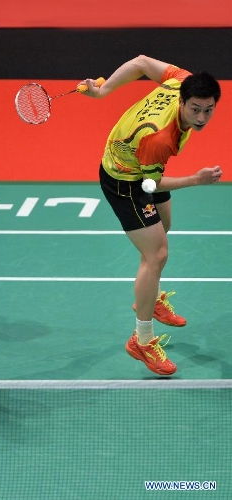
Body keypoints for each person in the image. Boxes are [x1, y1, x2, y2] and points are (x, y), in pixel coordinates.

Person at [80, 55, 222, 376]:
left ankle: (150, 296)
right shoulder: (160, 138)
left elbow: (142, 62)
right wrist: (196, 180)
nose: (200, 117)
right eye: (195, 109)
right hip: (125, 179)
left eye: (208, 110)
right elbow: (151, 183)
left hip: (141, 163)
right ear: (182, 102)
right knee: (155, 254)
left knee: (164, 226)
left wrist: (104, 91)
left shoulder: (180, 80)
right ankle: (141, 341)